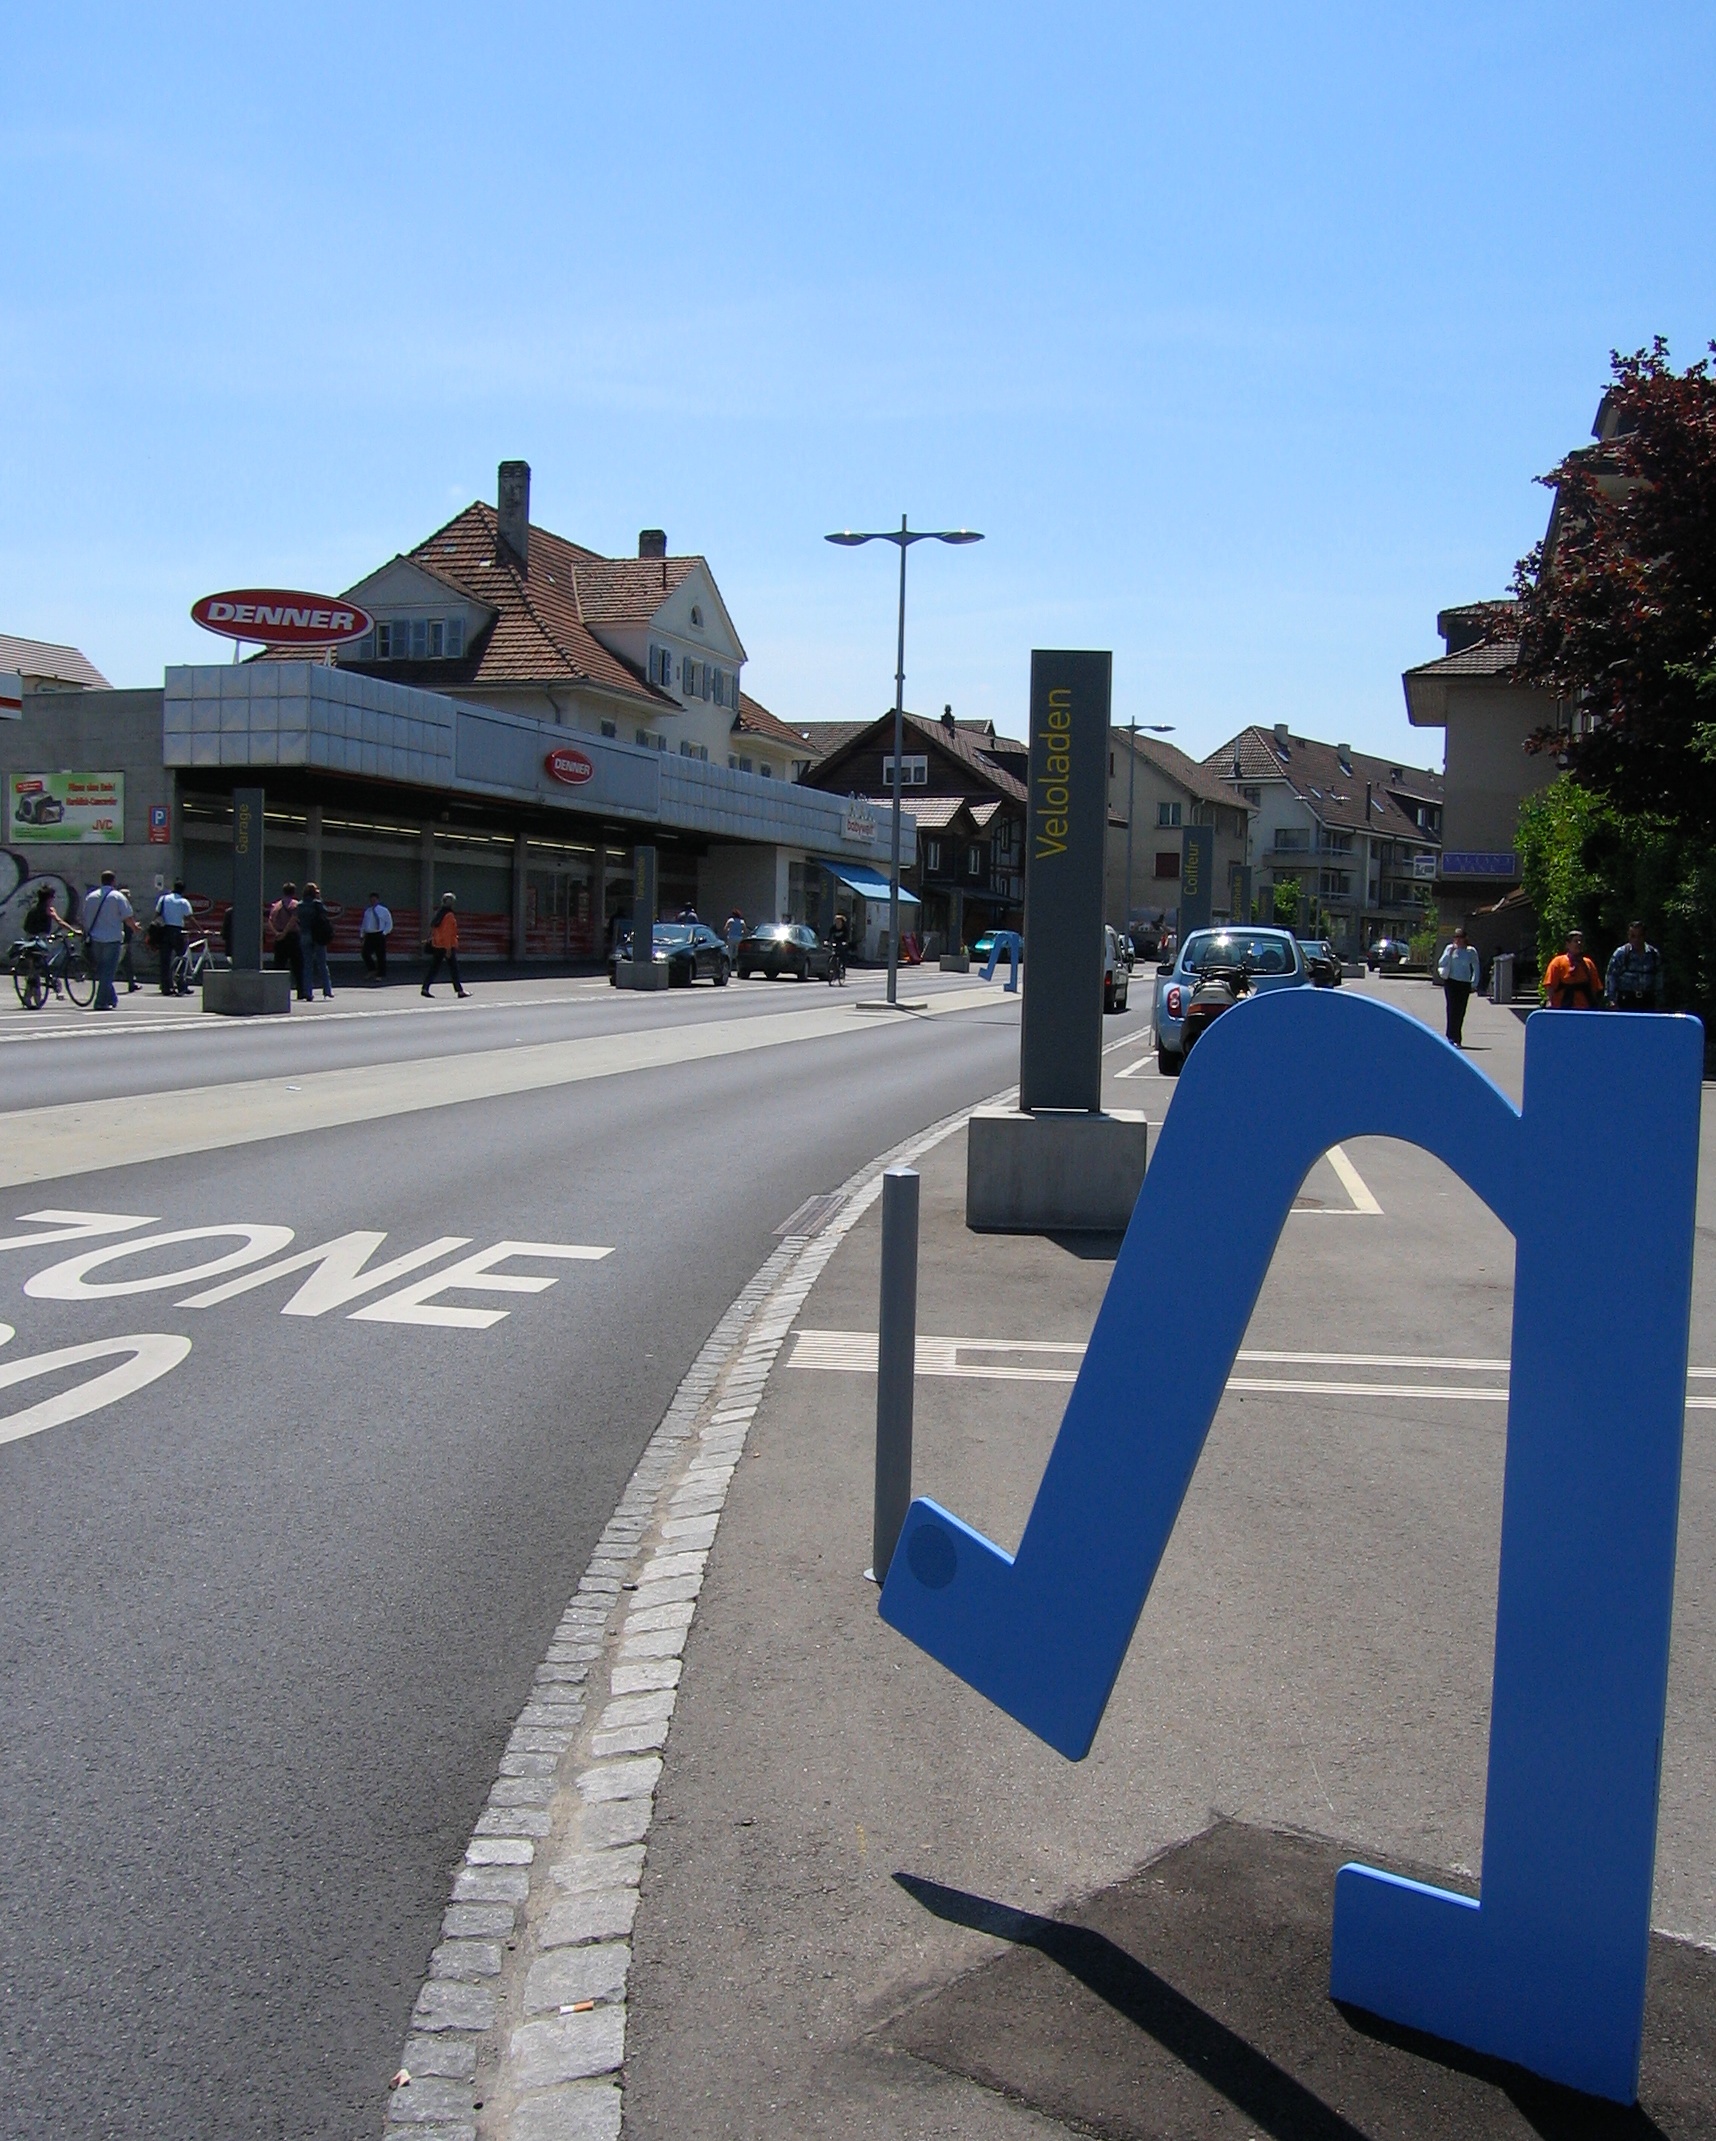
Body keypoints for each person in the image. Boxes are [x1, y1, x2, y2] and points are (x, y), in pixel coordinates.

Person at [80, 870, 134, 1010]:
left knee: (103, 970)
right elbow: (127, 917)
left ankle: (111, 998)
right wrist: (135, 927)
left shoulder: (91, 897)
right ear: (113, 881)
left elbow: (85, 917)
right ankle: (100, 1002)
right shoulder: (117, 897)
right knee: (108, 972)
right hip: (112, 938)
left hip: (95, 939)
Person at [1436, 925, 1481, 1046]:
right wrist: (1449, 953)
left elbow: (1476, 967)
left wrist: (1474, 983)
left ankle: (1457, 1036)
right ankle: (1451, 1035)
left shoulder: (1470, 951)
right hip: (1451, 982)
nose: (1458, 940)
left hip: (1464, 983)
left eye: (1460, 937)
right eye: (1456, 937)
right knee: (1451, 1008)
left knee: (1460, 1010)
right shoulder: (1449, 948)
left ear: (1465, 938)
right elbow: (1441, 963)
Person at [1606, 920, 1665, 1010]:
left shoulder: (1653, 954)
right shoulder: (1621, 954)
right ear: (1628, 936)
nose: (1636, 940)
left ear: (1644, 936)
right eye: (1633, 936)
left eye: (1639, 936)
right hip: (1626, 999)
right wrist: (1611, 1000)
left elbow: (1659, 978)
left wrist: (1660, 1001)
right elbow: (1611, 977)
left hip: (1648, 999)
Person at [1543, 928, 1603, 1009]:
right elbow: (1550, 985)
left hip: (1584, 1008)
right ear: (1567, 944)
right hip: (1562, 1008)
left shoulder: (1588, 963)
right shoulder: (1557, 962)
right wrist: (1549, 1001)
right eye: (1576, 941)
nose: (1579, 943)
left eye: (1581, 941)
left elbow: (1595, 987)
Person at [422, 892, 468, 998]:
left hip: (437, 944)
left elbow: (435, 929)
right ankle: (460, 991)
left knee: (434, 968)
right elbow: (448, 933)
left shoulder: (439, 913)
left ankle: (425, 988)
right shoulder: (449, 915)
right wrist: (448, 949)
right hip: (446, 946)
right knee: (454, 969)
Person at [154, 878, 194, 995]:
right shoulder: (183, 902)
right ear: (183, 890)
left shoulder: (163, 899)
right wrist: (200, 929)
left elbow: (157, 914)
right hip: (178, 932)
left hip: (165, 931)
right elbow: (189, 917)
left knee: (165, 960)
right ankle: (181, 985)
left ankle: (166, 987)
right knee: (182, 958)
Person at [269, 882, 308, 1000]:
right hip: (292, 936)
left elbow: (270, 921)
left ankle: (277, 992)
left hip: (279, 937)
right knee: (298, 964)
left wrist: (277, 933)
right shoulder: (295, 904)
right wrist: (285, 933)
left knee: (279, 965)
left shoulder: (276, 905)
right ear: (293, 892)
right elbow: (293, 920)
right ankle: (301, 991)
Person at [298, 882, 335, 999]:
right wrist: (319, 899)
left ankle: (308, 992)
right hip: (318, 935)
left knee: (307, 965)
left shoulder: (300, 905)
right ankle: (327, 989)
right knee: (322, 963)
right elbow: (325, 914)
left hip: (305, 934)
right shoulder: (317, 904)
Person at [360, 890, 393, 982]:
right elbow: (364, 923)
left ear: (378, 900)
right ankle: (372, 969)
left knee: (380, 955)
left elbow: (389, 923)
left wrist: (384, 933)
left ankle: (380, 974)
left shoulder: (384, 910)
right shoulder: (368, 911)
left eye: (374, 900)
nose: (372, 902)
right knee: (365, 953)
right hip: (369, 934)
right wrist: (362, 934)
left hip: (379, 934)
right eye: (371, 900)